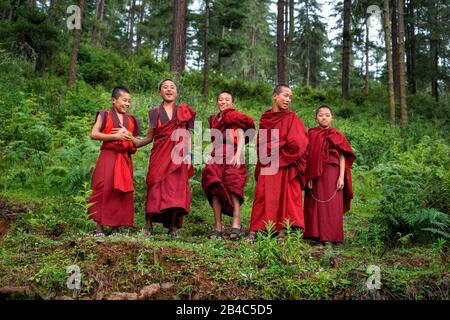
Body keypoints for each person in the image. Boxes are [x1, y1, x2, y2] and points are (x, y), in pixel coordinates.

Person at [133, 79, 195, 237]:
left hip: (178, 156)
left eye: (172, 87)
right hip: (159, 155)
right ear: (160, 92)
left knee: (176, 189)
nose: (169, 90)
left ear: (177, 92)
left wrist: (188, 155)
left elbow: (187, 135)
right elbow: (149, 137)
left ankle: (173, 226)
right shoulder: (155, 113)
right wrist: (133, 142)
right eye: (165, 87)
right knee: (154, 186)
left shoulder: (184, 111)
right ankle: (148, 224)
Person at [247, 84, 309, 241]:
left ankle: (283, 231)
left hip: (287, 163)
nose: (288, 99)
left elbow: (299, 143)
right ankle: (258, 228)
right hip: (269, 162)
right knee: (263, 195)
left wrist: (278, 147)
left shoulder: (292, 118)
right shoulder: (266, 118)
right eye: (285, 95)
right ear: (275, 96)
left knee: (286, 196)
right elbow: (261, 141)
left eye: (290, 97)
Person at [202, 91, 255, 240]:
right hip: (217, 154)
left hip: (233, 153)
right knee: (214, 186)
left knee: (234, 186)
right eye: (220, 99)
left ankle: (236, 224)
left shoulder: (233, 116)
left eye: (227, 100)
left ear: (232, 103)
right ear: (217, 102)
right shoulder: (214, 119)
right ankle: (218, 226)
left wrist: (238, 154)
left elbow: (241, 135)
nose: (223, 102)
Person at [88, 86, 141, 237]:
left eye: (129, 101)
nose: (127, 104)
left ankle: (115, 229)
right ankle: (99, 228)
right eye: (124, 100)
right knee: (103, 188)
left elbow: (136, 142)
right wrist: (115, 137)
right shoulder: (104, 115)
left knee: (120, 191)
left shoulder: (131, 120)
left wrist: (129, 136)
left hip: (124, 159)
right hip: (108, 156)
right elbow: (94, 134)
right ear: (113, 100)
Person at [303, 105, 356, 244]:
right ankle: (314, 234)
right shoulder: (312, 134)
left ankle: (332, 236)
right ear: (316, 118)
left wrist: (341, 177)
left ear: (332, 118)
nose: (324, 117)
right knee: (315, 203)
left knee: (332, 205)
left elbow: (342, 156)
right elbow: (309, 156)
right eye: (320, 115)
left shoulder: (336, 135)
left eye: (327, 115)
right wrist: (308, 176)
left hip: (333, 172)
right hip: (315, 174)